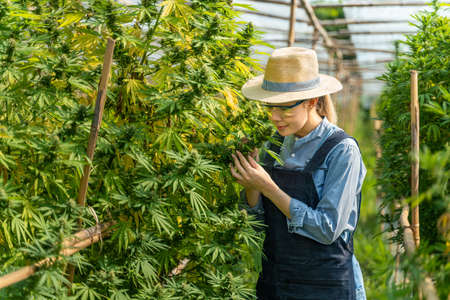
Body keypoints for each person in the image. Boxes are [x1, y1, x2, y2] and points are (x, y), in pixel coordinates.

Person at [229, 47, 367, 300]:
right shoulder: (275, 145)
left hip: (326, 286)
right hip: (277, 281)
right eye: (271, 108)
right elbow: (256, 222)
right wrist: (251, 182)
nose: (274, 117)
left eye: (284, 108)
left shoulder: (342, 151)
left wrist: (269, 186)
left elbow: (327, 229)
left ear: (312, 102)